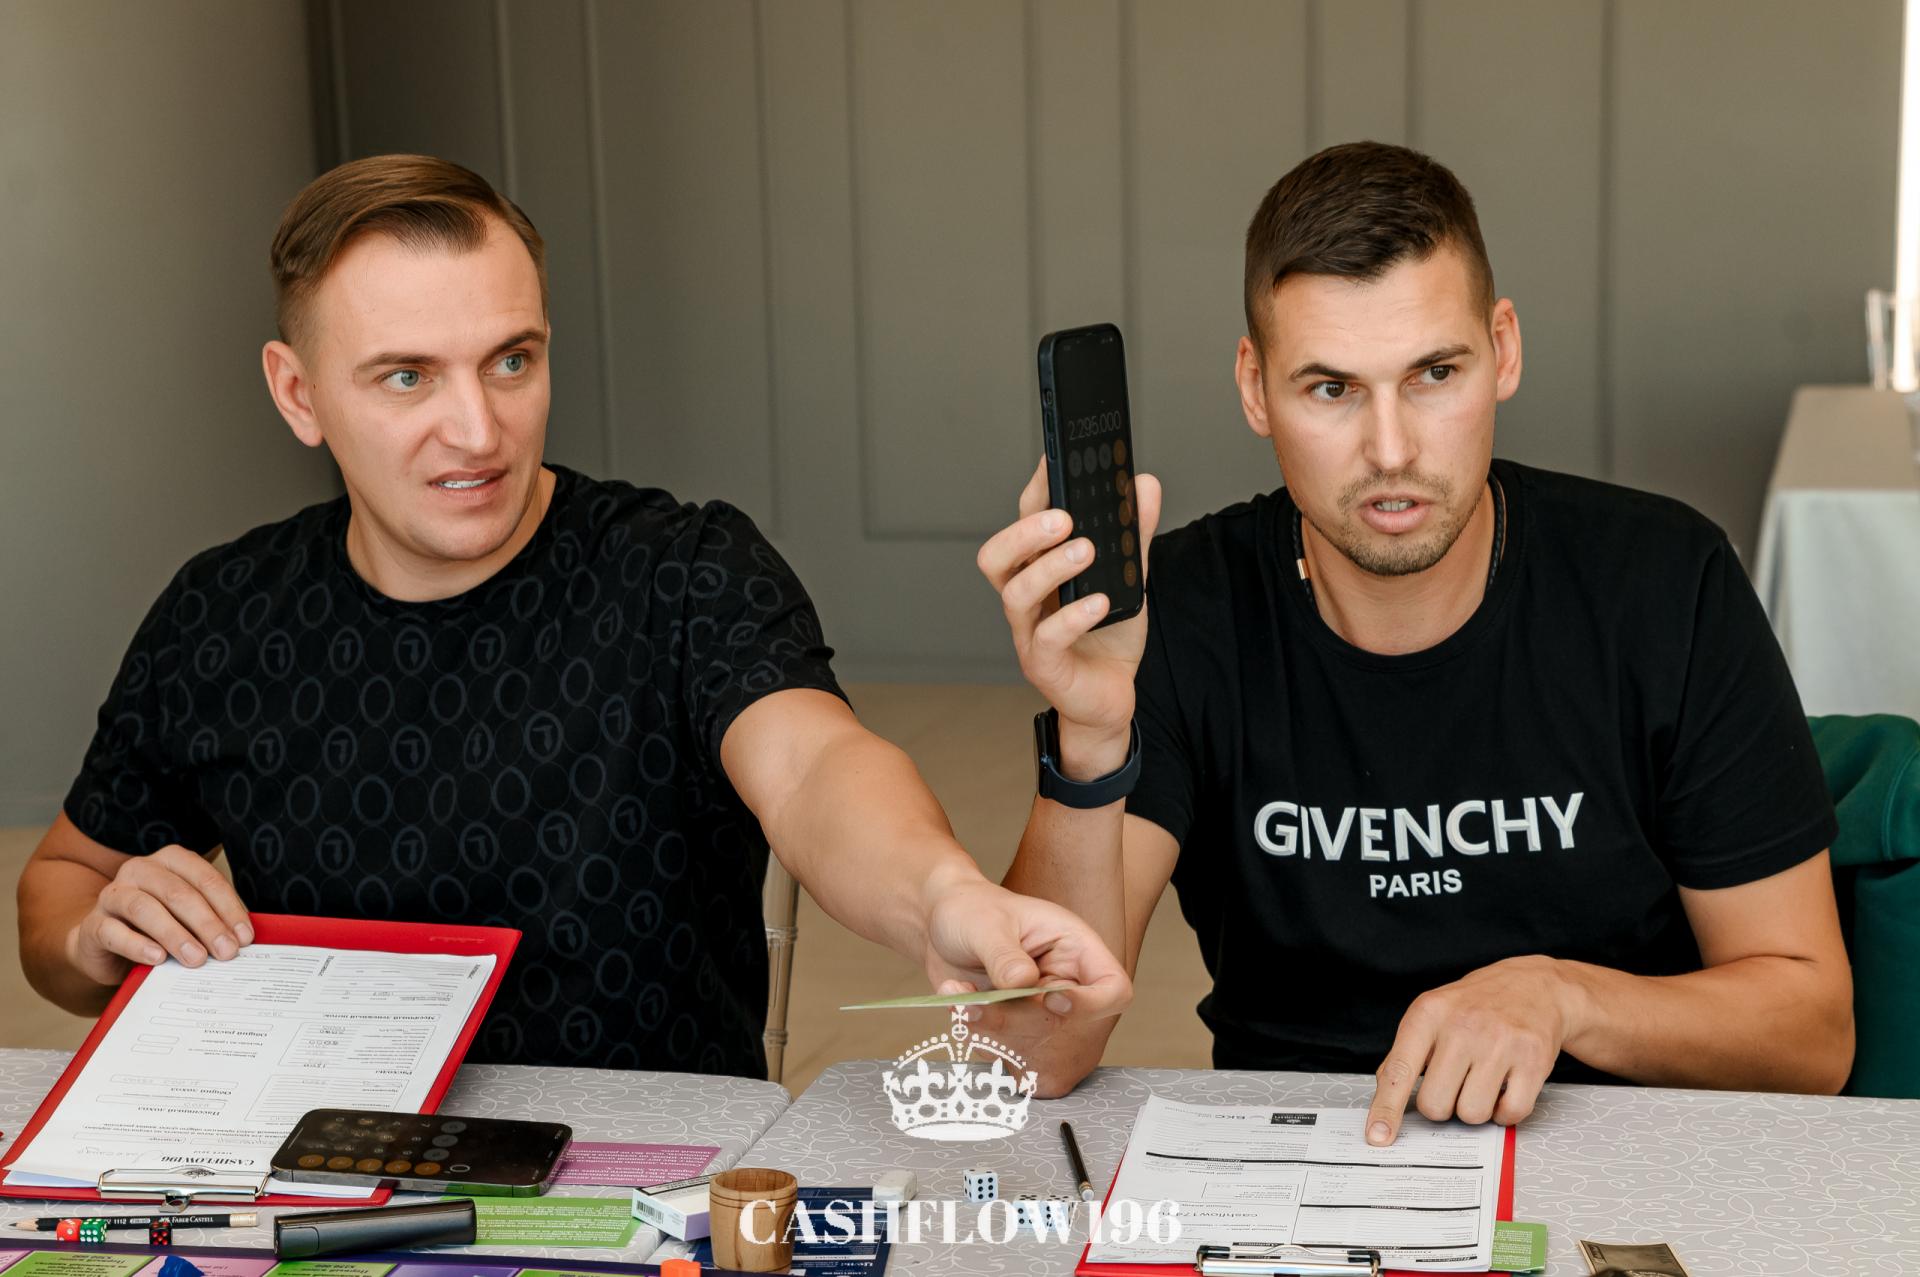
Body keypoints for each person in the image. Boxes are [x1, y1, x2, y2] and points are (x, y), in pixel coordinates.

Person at [17, 153, 1128, 1076]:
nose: (478, 429)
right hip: (325, 1173)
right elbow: (58, 894)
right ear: (297, 393)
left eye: (512, 360)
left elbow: (813, 768)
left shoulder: (682, 570)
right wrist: (95, 935)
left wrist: (941, 891)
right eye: (407, 377)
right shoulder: (219, 612)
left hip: (649, 1188)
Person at [974, 141, 1853, 1140]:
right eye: (1332, 388)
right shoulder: (1178, 613)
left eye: (1434, 373)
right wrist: (1091, 741)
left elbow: (1812, 1034)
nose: (1390, 450)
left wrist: (1565, 997)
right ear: (1255, 387)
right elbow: (1031, 1057)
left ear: (1503, 349)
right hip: (1296, 1164)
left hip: (1618, 1152)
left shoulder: (1664, 582)